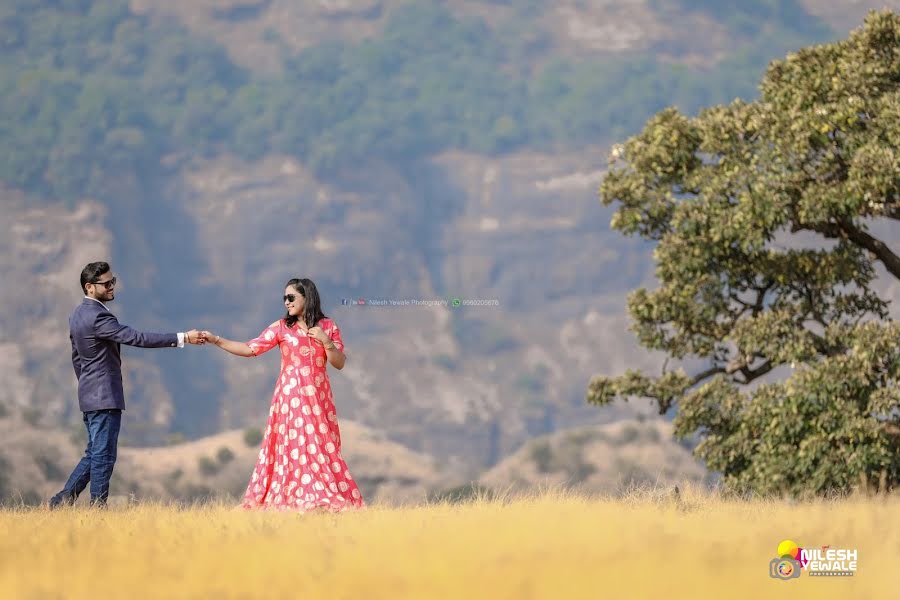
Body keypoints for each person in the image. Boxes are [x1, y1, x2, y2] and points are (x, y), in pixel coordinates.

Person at [48, 261, 205, 509]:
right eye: (106, 284)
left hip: (90, 396)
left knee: (94, 454)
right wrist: (182, 337)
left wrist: (87, 386)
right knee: (104, 456)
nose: (112, 287)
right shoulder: (97, 316)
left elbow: (77, 358)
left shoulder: (77, 314)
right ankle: (97, 510)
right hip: (104, 396)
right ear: (90, 287)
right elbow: (136, 337)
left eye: (113, 281)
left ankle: (60, 503)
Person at [203, 277, 364, 512]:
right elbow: (250, 348)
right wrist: (216, 340)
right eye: (284, 298)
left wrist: (326, 341)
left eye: (291, 297)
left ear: (307, 297)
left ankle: (321, 496)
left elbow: (339, 363)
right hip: (291, 398)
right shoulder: (281, 327)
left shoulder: (328, 326)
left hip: (319, 399)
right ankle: (302, 498)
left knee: (321, 445)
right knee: (295, 444)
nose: (286, 303)